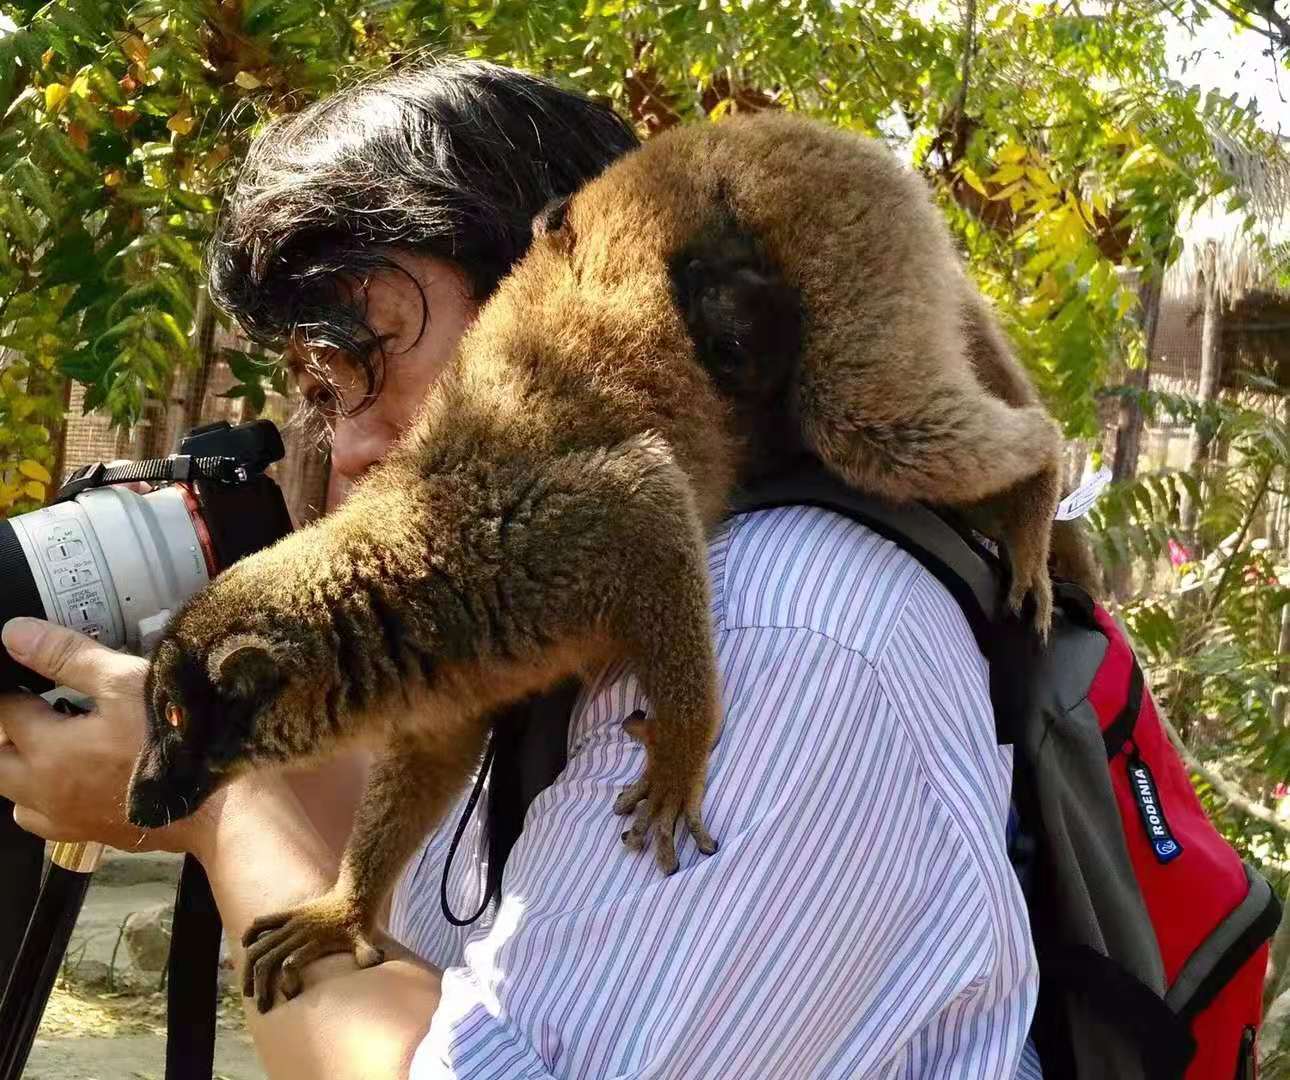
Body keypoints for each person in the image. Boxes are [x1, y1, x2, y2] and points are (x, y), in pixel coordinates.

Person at [0, 59, 1040, 1077]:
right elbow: (432, 746)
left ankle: (1038, 479)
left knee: (885, 433)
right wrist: (341, 883)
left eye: (373, 356)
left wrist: (227, 821)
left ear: (532, 285)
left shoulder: (786, 632)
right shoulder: (474, 582)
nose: (350, 446)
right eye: (322, 393)